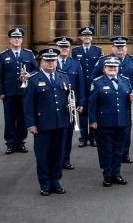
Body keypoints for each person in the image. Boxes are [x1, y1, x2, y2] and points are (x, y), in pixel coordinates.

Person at [23, 48, 71, 196]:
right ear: (41, 61)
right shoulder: (33, 79)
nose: (51, 63)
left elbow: (68, 98)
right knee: (43, 156)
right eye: (47, 60)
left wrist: (71, 107)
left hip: (61, 123)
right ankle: (45, 184)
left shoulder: (63, 77)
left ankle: (56, 182)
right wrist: (31, 124)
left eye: (53, 60)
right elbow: (28, 104)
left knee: (58, 154)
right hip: (42, 125)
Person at [91, 36, 133, 164]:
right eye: (117, 47)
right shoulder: (103, 61)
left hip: (128, 101)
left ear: (126, 48)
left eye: (122, 47)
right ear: (112, 48)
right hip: (107, 102)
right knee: (109, 129)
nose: (120, 49)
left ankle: (124, 153)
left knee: (126, 128)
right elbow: (94, 79)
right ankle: (111, 155)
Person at [89, 57, 133, 187]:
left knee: (119, 150)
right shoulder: (97, 82)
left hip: (122, 122)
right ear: (104, 69)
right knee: (106, 150)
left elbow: (127, 99)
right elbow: (92, 104)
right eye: (109, 67)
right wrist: (92, 120)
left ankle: (117, 174)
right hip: (104, 122)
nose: (112, 69)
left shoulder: (125, 81)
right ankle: (107, 175)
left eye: (115, 67)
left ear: (118, 68)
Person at [0, 27, 38, 155]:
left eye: (19, 38)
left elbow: (36, 70)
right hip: (9, 93)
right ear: (10, 40)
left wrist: (29, 75)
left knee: (23, 118)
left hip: (25, 92)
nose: (16, 40)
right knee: (9, 118)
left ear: (22, 40)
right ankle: (10, 143)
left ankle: (20, 142)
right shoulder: (4, 55)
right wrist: (0, 92)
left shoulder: (28, 54)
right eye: (14, 37)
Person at [54, 36, 85, 171]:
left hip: (71, 105)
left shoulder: (75, 63)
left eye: (66, 47)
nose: (64, 49)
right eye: (61, 47)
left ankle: (65, 159)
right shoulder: (50, 61)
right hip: (54, 103)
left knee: (67, 135)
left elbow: (81, 84)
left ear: (69, 48)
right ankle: (55, 160)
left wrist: (81, 102)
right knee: (55, 134)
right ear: (57, 48)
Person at [71, 26, 102, 148]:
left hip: (94, 85)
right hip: (81, 85)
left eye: (89, 35)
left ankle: (93, 137)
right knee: (82, 110)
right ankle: (83, 137)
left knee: (94, 110)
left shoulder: (98, 50)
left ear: (92, 37)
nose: (87, 37)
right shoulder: (75, 51)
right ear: (80, 37)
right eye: (84, 35)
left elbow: (101, 68)